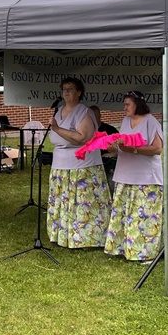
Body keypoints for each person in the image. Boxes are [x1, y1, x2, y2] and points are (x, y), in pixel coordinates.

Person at [46, 77, 112, 249]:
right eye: (64, 89)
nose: (66, 92)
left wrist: (58, 129)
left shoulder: (84, 112)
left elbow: (82, 138)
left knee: (84, 203)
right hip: (60, 166)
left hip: (82, 167)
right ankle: (64, 235)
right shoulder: (59, 111)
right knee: (64, 202)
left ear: (79, 92)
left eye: (70, 89)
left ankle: (87, 239)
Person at [104, 91, 164, 262]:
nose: (124, 108)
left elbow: (157, 149)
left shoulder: (151, 121)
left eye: (127, 104)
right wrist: (116, 148)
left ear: (138, 104)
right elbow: (123, 145)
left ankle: (145, 253)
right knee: (124, 214)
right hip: (125, 174)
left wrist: (135, 150)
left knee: (144, 215)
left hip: (145, 177)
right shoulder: (125, 121)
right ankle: (123, 248)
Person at [90, 105, 118, 191]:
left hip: (107, 165)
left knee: (110, 186)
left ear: (99, 116)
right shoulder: (85, 130)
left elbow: (120, 147)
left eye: (94, 116)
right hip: (90, 165)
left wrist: (114, 153)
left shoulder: (110, 130)